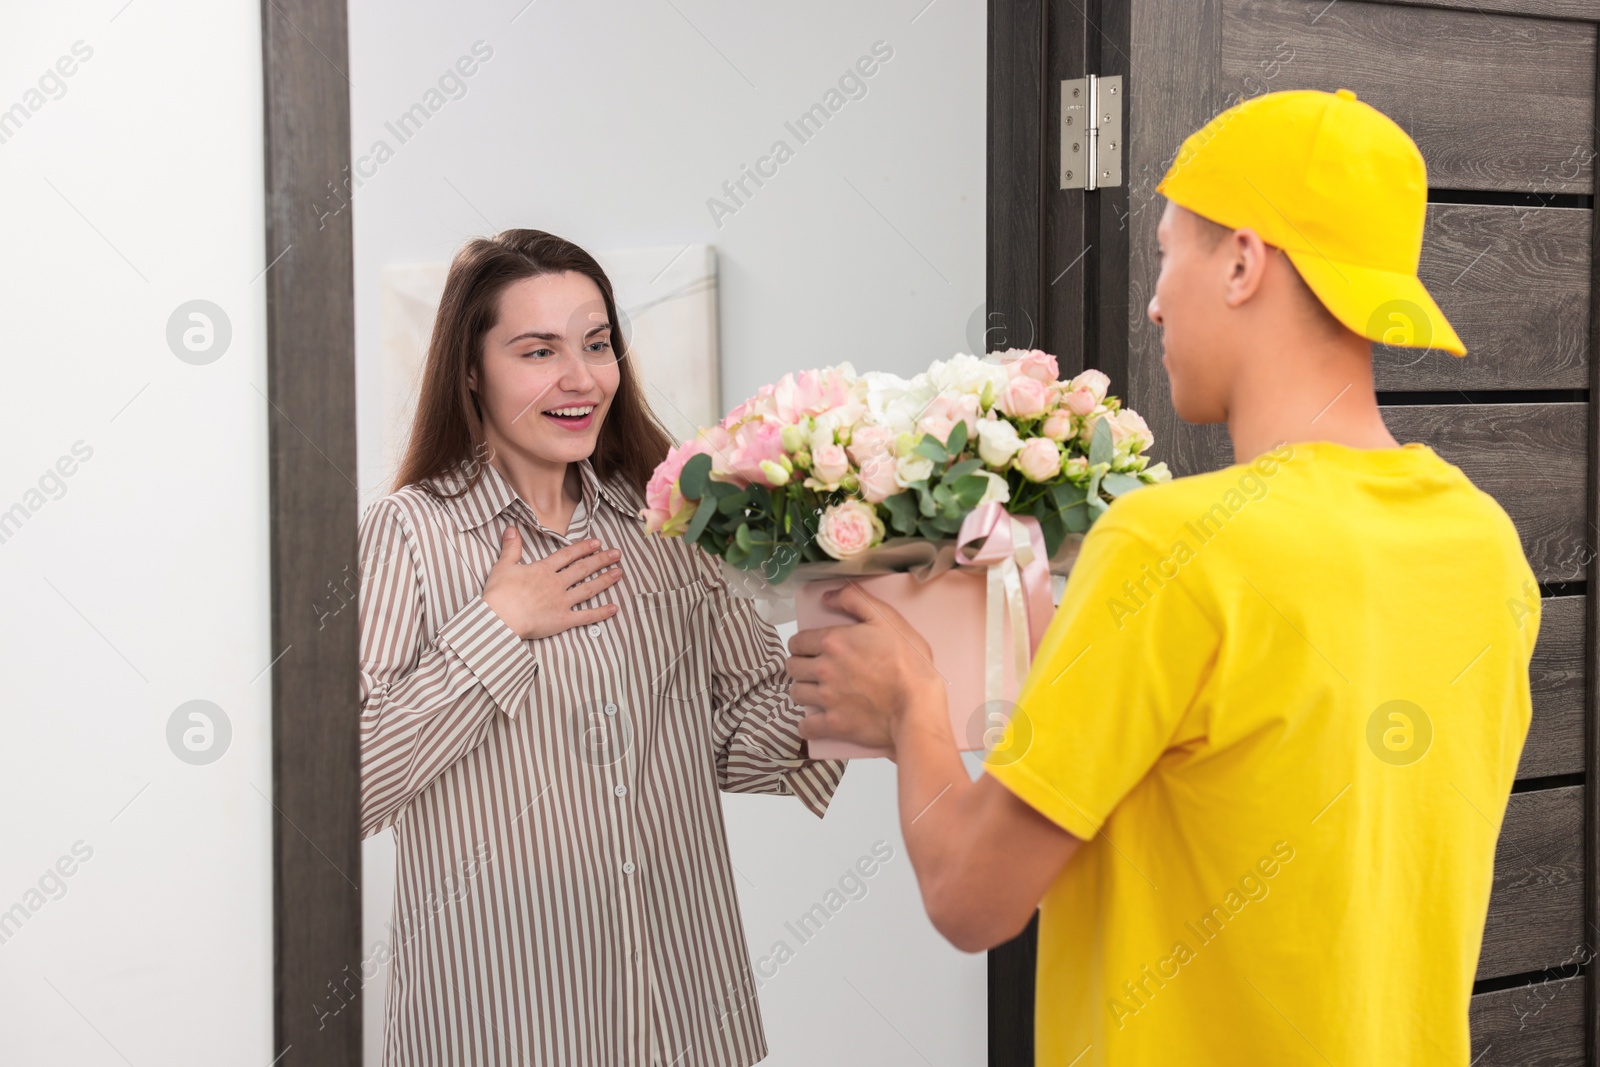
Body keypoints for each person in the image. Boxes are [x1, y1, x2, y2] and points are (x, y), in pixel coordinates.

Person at [786, 89, 1540, 1064]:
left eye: (1165, 253)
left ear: (1241, 262)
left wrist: (911, 702)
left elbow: (971, 897)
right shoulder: (1482, 541)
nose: (1151, 301)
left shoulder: (1171, 544)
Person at [357, 229, 845, 1066]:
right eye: (538, 350)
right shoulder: (411, 533)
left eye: (596, 344)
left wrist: (851, 645)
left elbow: (733, 741)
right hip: (498, 1027)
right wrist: (498, 627)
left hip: (680, 1018)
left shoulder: (670, 523)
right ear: (470, 369)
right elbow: (348, 784)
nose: (580, 378)